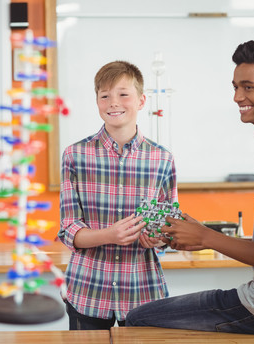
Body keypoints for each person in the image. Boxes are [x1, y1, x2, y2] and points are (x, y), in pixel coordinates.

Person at [126, 39, 254, 335]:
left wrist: (207, 237)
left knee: (137, 319)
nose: (237, 97)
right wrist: (201, 235)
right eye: (235, 86)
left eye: (248, 87)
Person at [58, 60, 177, 330]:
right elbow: (68, 229)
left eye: (123, 94)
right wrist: (109, 235)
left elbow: (168, 229)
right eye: (105, 96)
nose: (114, 103)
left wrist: (158, 238)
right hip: (87, 289)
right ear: (97, 101)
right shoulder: (75, 155)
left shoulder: (162, 159)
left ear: (141, 100)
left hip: (142, 290)